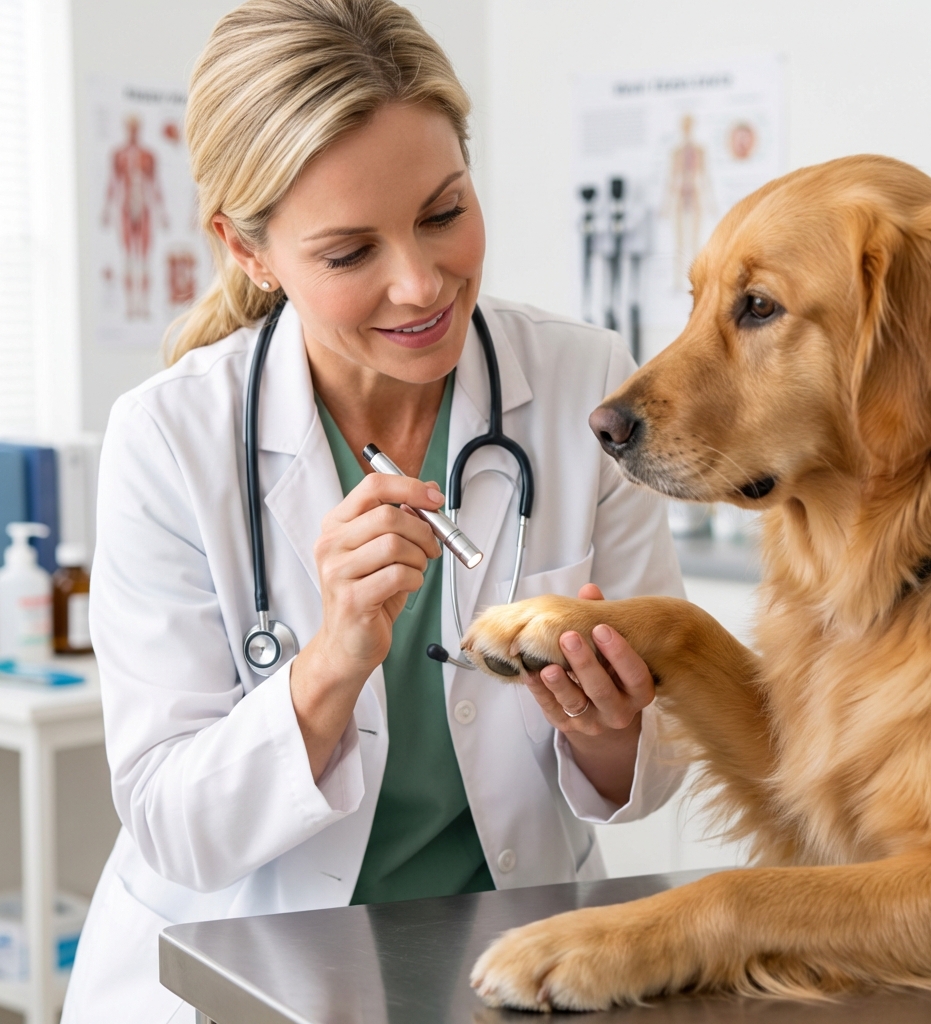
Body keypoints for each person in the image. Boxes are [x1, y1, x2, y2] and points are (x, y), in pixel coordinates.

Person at [62, 1, 687, 1019]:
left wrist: (611, 731)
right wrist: (330, 662)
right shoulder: (170, 440)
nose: (420, 283)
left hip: (502, 957)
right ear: (249, 250)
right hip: (240, 976)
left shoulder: (584, 382)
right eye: (350, 254)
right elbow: (174, 825)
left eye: (443, 213)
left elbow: (651, 765)